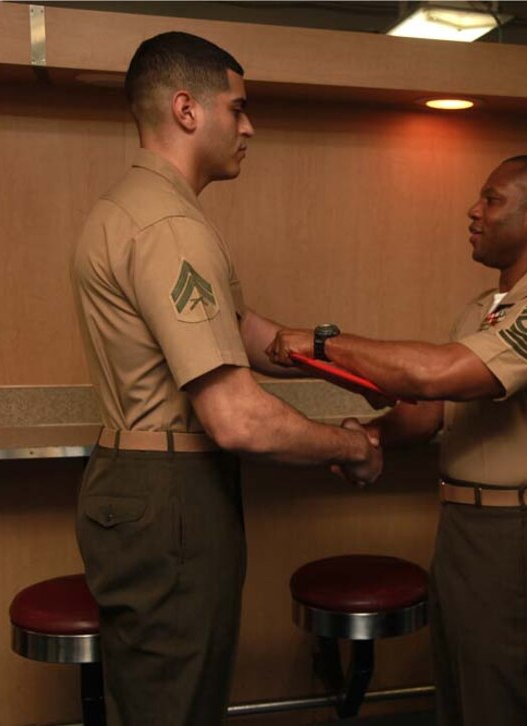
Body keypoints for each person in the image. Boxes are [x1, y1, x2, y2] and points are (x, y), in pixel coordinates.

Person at [71, 32, 381, 725]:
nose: (250, 126)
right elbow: (238, 419)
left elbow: (247, 333)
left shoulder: (130, 208)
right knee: (178, 705)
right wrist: (351, 446)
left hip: (140, 482)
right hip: (172, 493)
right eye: (237, 107)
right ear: (186, 109)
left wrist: (355, 364)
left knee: (160, 698)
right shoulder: (170, 227)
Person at [267, 155, 527, 725]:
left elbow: (436, 375)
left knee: (501, 698)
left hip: (519, 535)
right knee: (459, 693)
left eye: (492, 199)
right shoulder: (484, 310)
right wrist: (369, 437)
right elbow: (428, 410)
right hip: (467, 527)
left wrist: (323, 344)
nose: (474, 211)